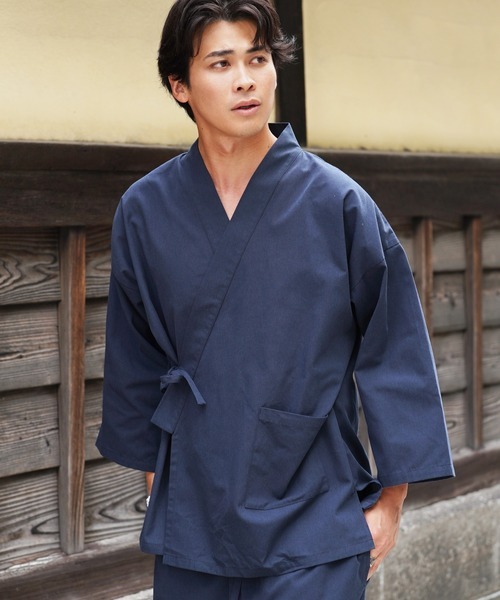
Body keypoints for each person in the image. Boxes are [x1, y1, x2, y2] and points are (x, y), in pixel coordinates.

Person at [96, 1, 454, 598]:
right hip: (195, 512)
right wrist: (161, 479)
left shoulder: (337, 202)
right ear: (180, 85)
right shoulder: (145, 209)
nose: (246, 80)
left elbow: (395, 351)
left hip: (317, 511)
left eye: (258, 59)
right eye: (221, 63)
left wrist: (390, 503)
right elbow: (134, 355)